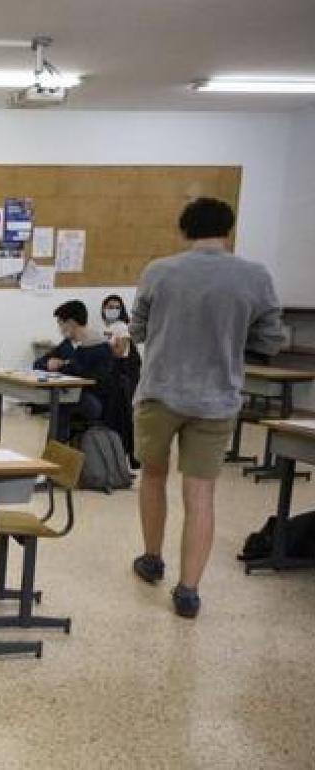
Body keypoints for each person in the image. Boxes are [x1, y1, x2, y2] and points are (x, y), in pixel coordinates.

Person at [129, 197, 284, 619]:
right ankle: (189, 589)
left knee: (153, 478)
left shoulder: (159, 271)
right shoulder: (254, 276)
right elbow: (273, 339)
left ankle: (152, 558)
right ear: (228, 229)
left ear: (185, 231)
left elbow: (138, 329)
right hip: (217, 399)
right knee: (201, 494)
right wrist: (230, 341)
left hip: (160, 391)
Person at [33, 300, 113, 441]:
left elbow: (97, 379)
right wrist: (49, 364)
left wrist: (63, 365)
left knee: (62, 405)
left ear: (70, 323)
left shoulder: (99, 346)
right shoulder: (67, 345)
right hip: (69, 393)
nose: (60, 328)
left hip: (94, 399)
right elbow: (38, 364)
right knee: (60, 402)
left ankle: (56, 452)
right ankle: (56, 451)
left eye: (60, 323)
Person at [101, 294, 142, 467]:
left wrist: (104, 347)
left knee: (124, 418)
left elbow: (120, 352)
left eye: (116, 307)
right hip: (114, 376)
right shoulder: (107, 327)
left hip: (123, 376)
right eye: (109, 306)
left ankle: (129, 456)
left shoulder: (122, 328)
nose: (113, 310)